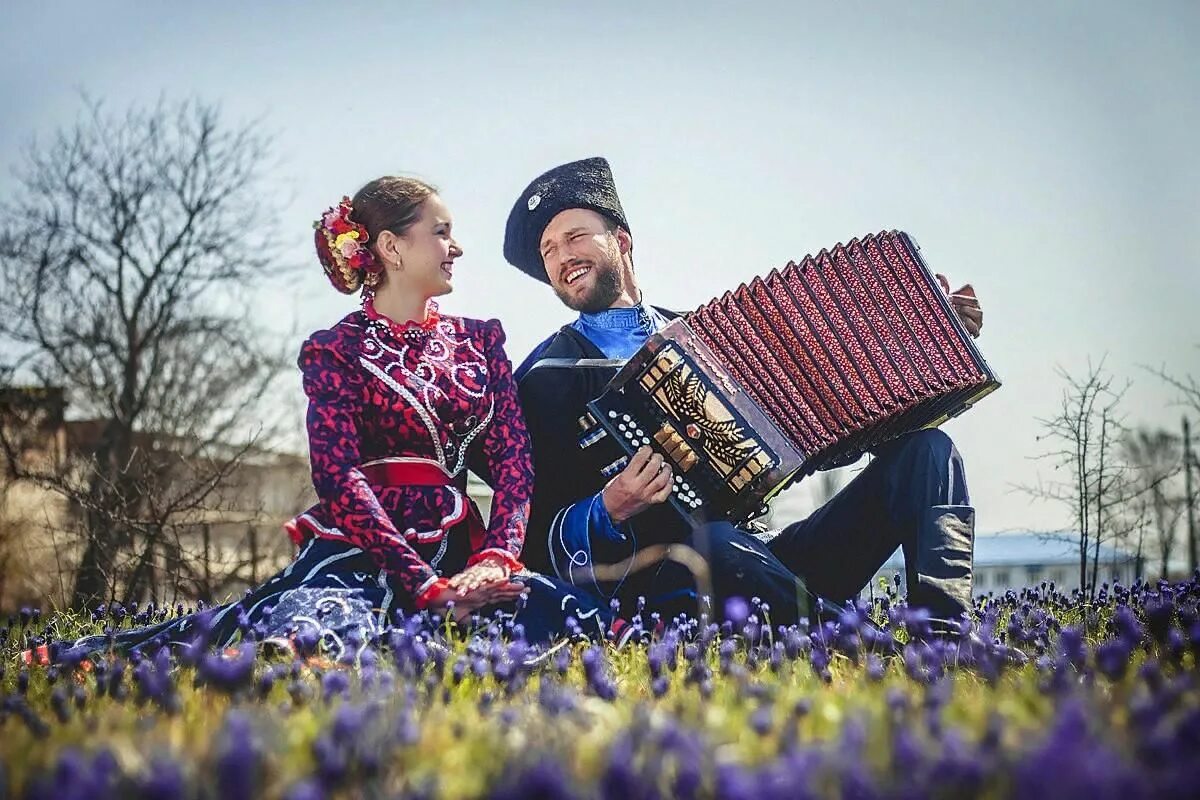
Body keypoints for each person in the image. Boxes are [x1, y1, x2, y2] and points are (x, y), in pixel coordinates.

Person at [59, 175, 624, 661]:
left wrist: (496, 560)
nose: (457, 248)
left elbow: (514, 462)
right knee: (322, 628)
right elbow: (338, 476)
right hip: (365, 545)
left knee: (574, 624)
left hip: (461, 547)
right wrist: (421, 585)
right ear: (391, 247)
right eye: (441, 232)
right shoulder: (335, 351)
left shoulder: (481, 341)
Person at [505, 157, 983, 628]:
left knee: (928, 452)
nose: (562, 256)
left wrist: (928, 333)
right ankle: (858, 644)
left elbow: (818, 430)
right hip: (665, 587)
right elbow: (528, 536)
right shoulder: (546, 376)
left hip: (764, 559)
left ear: (621, 240)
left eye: (574, 237)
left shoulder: (712, 333)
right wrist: (607, 509)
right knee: (710, 544)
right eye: (548, 251)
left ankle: (945, 641)